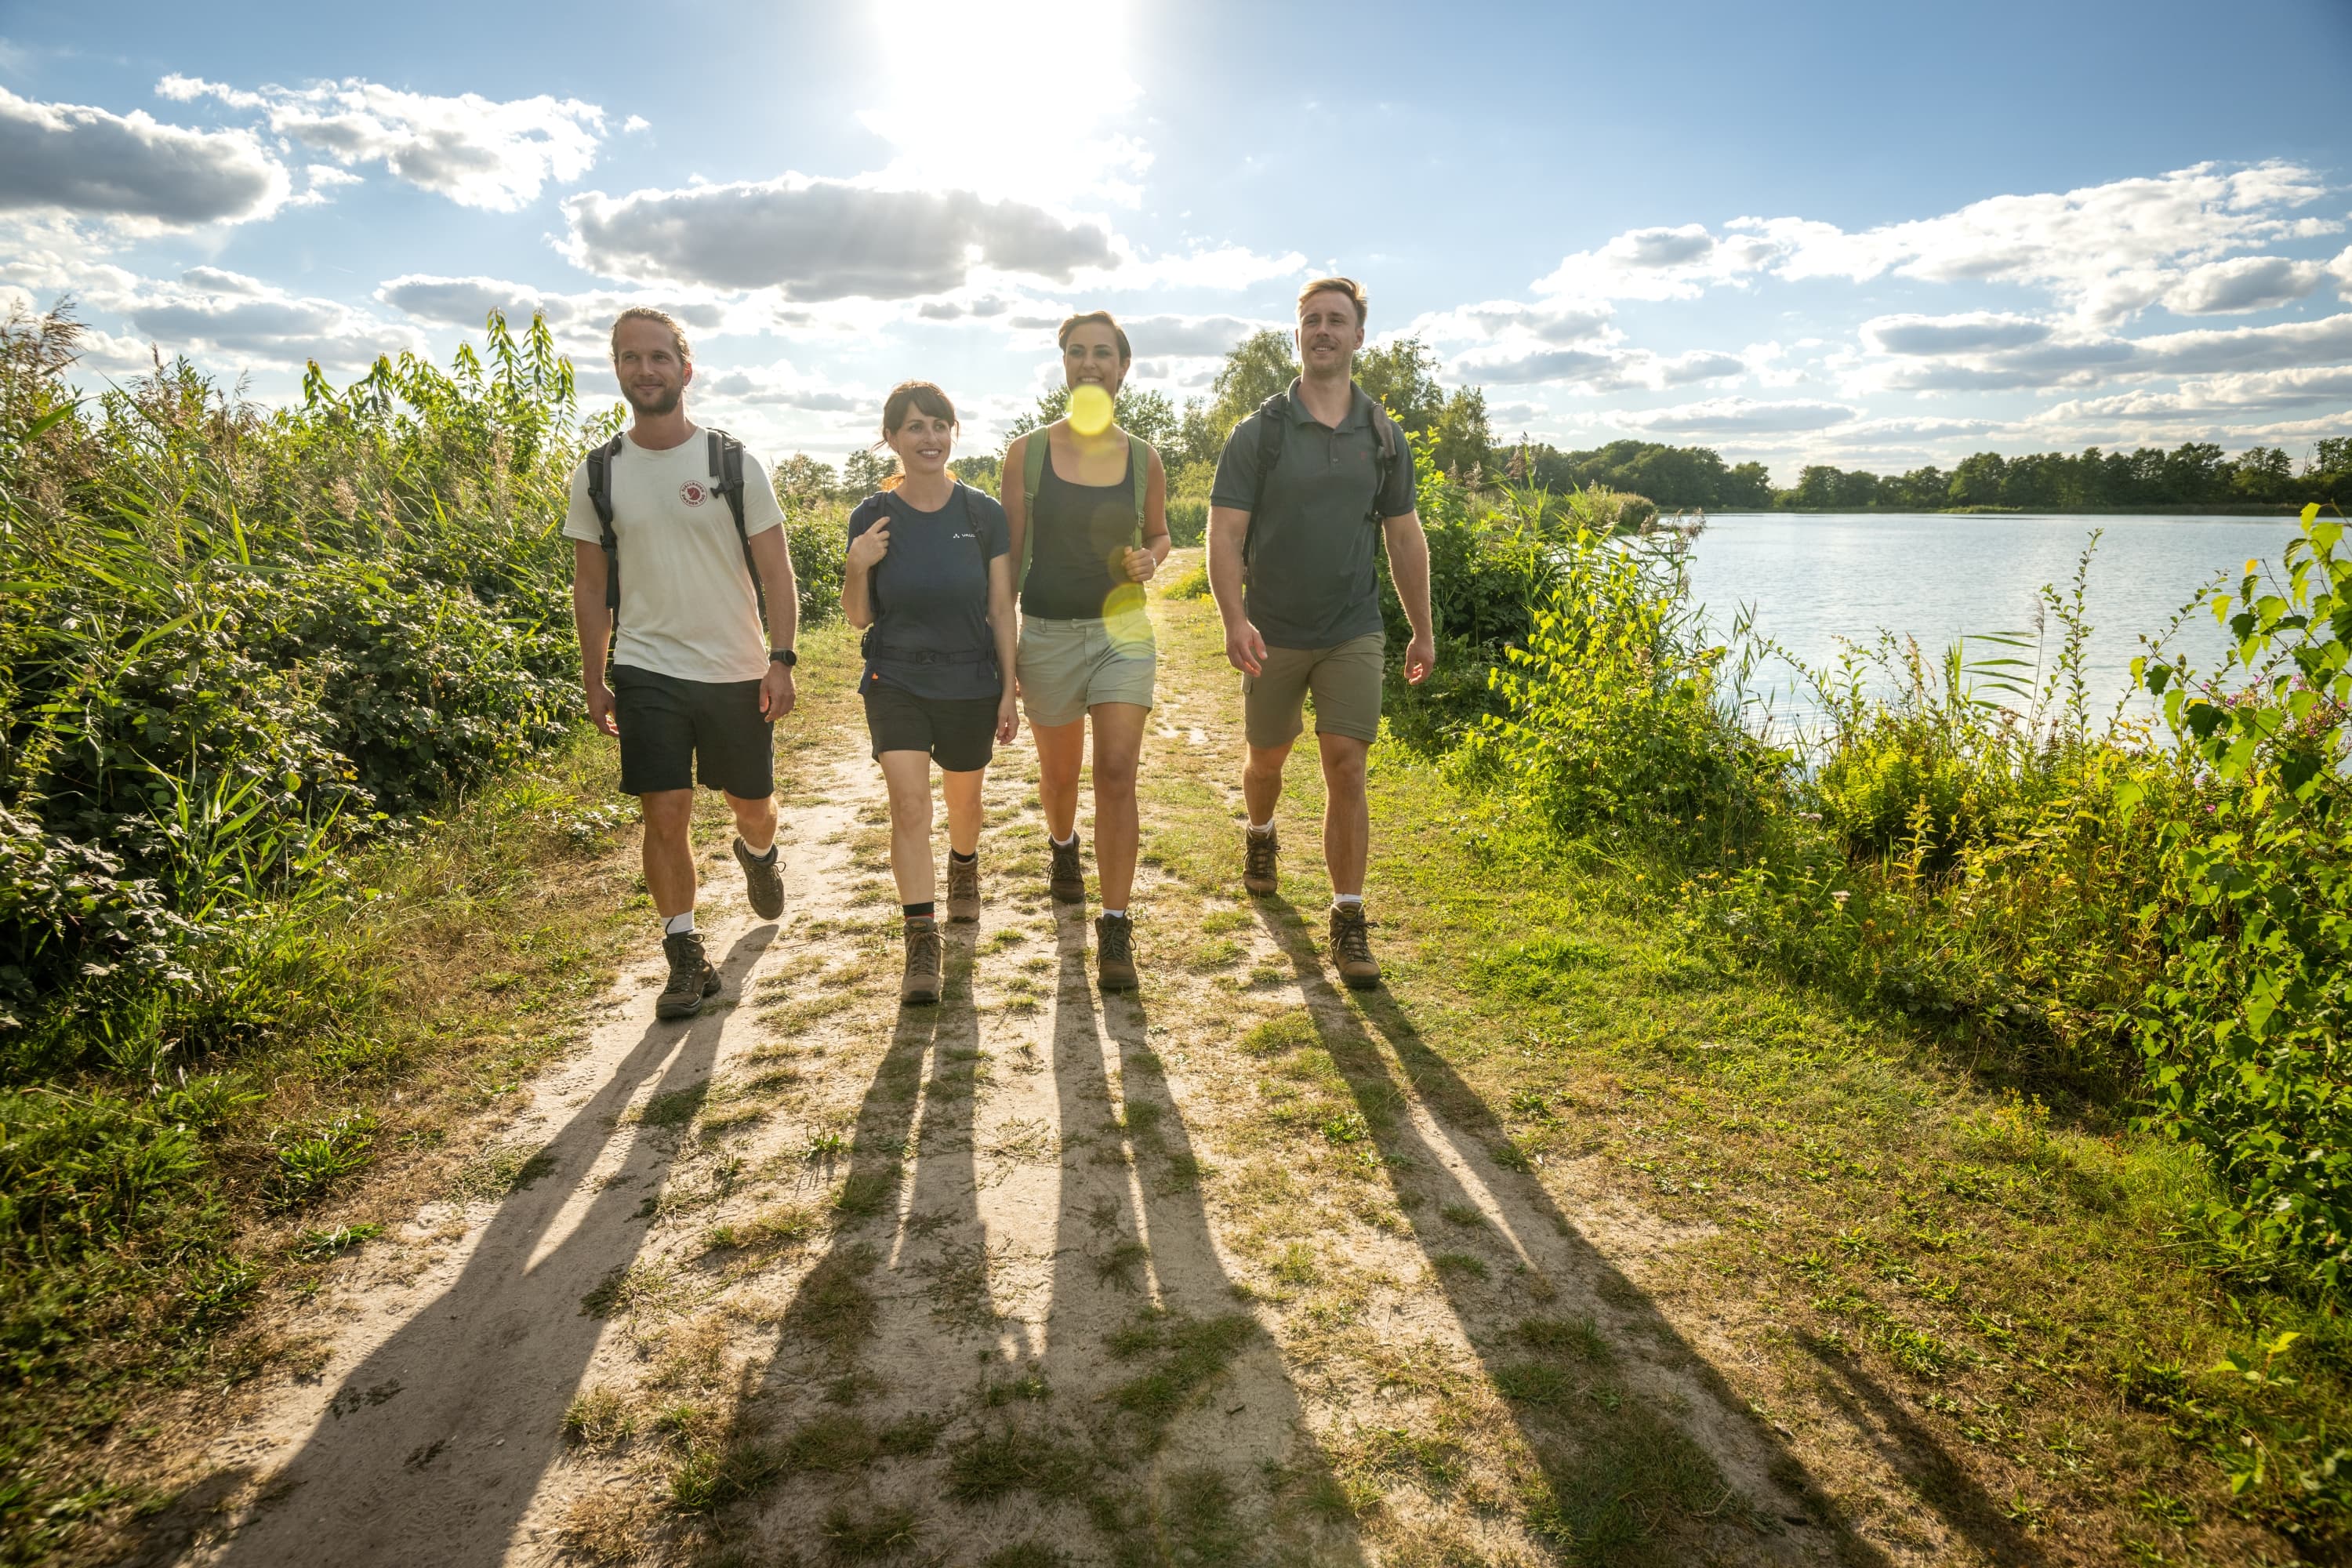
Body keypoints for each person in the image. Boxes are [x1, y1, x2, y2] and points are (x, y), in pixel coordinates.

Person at [564, 307, 800, 1022]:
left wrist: (781, 659)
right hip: (647, 669)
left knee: (750, 806)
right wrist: (595, 676)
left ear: (685, 369)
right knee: (663, 813)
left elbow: (777, 570)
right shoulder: (600, 472)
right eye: (631, 358)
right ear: (617, 369)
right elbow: (591, 584)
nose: (646, 369)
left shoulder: (730, 462)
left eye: (660, 357)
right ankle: (685, 955)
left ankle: (759, 853)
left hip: (733, 667)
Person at [1205, 276, 1435, 989]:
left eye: (1337, 320)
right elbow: (1224, 533)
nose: (1324, 330)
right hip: (1271, 630)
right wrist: (1234, 618)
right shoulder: (1260, 431)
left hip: (1352, 627)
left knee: (1347, 763)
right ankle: (1261, 834)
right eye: (1312, 321)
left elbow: (1404, 538)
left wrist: (1422, 630)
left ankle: (1348, 917)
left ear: (1359, 336)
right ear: (1297, 334)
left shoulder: (1383, 436)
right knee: (1267, 761)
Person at [1001, 310, 1171, 993]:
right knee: (1061, 777)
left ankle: (1116, 924)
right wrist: (1002, 649)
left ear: (1123, 368)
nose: (1090, 362)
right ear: (1064, 364)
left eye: (1103, 352)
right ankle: (1063, 846)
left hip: (1122, 635)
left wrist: (1150, 560)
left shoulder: (1144, 458)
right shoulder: (1028, 454)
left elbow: (1160, 536)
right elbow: (1007, 563)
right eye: (1077, 352)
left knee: (1118, 774)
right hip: (1046, 633)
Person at [842, 382, 1018, 1005]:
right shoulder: (871, 516)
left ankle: (964, 867)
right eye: (915, 426)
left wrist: (1008, 689)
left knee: (963, 804)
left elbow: (1001, 607)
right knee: (911, 807)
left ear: (954, 434)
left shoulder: (982, 514)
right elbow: (858, 617)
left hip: (970, 678)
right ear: (891, 438)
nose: (930, 437)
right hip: (897, 679)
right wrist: (857, 564)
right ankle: (921, 939)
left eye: (940, 425)